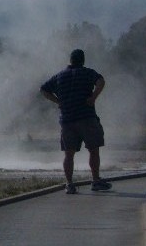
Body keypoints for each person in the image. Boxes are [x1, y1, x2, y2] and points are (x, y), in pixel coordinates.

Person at [40, 49, 112, 194]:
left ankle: (69, 184)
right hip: (86, 117)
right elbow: (101, 81)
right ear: (82, 60)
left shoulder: (59, 76)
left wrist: (58, 101)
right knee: (93, 150)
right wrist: (93, 97)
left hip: (67, 120)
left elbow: (43, 89)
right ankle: (96, 180)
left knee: (69, 154)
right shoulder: (87, 72)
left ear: (70, 60)